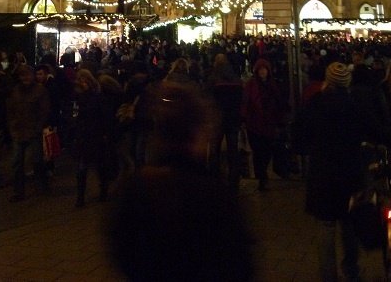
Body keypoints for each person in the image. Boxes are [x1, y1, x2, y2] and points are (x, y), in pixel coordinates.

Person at [107, 80, 254, 281]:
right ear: (196, 131)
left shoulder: (137, 188)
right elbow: (237, 262)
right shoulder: (212, 193)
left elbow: (124, 250)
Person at [293, 61, 391, 282]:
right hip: (349, 174)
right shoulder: (354, 106)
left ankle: (328, 276)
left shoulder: (315, 104)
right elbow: (380, 132)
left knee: (326, 227)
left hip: (323, 176)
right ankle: (351, 269)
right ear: (347, 83)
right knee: (349, 225)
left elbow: (298, 139)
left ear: (328, 81)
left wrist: (314, 149)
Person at [241, 56, 287, 191]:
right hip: (254, 123)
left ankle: (262, 174)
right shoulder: (251, 85)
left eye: (264, 69)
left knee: (266, 151)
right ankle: (261, 177)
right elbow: (246, 101)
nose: (262, 71)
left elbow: (278, 102)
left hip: (268, 123)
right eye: (260, 69)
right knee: (258, 151)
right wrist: (244, 117)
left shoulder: (272, 85)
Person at [6, 63, 50, 202]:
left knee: (37, 160)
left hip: (33, 131)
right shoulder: (16, 91)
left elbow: (44, 111)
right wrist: (12, 126)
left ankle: (41, 184)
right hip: (19, 131)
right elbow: (10, 109)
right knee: (17, 163)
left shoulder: (40, 91)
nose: (25, 78)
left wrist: (38, 127)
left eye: (27, 75)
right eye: (22, 75)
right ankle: (19, 191)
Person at [72, 68, 112, 207]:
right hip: (83, 136)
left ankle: (103, 191)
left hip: (95, 135)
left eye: (85, 80)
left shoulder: (97, 97)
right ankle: (80, 197)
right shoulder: (78, 97)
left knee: (99, 166)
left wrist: (105, 133)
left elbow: (104, 116)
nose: (83, 83)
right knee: (82, 168)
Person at [206, 51, 243, 192]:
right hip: (232, 117)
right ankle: (234, 179)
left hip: (218, 118)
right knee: (233, 150)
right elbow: (240, 97)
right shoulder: (234, 77)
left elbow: (208, 97)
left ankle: (215, 178)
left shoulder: (213, 78)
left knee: (215, 149)